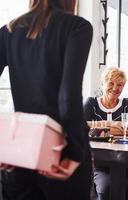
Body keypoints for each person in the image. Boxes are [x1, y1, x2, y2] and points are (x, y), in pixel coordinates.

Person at [0, 0, 93, 199]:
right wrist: (75, 153)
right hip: (60, 150)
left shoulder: (9, 30)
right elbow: (68, 96)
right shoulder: (77, 27)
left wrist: (3, 144)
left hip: (19, 150)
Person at [83, 66, 128, 200]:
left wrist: (97, 128)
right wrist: (111, 125)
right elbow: (81, 125)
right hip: (100, 164)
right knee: (107, 189)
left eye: (120, 84)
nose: (115, 88)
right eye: (111, 83)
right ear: (103, 84)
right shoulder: (91, 103)